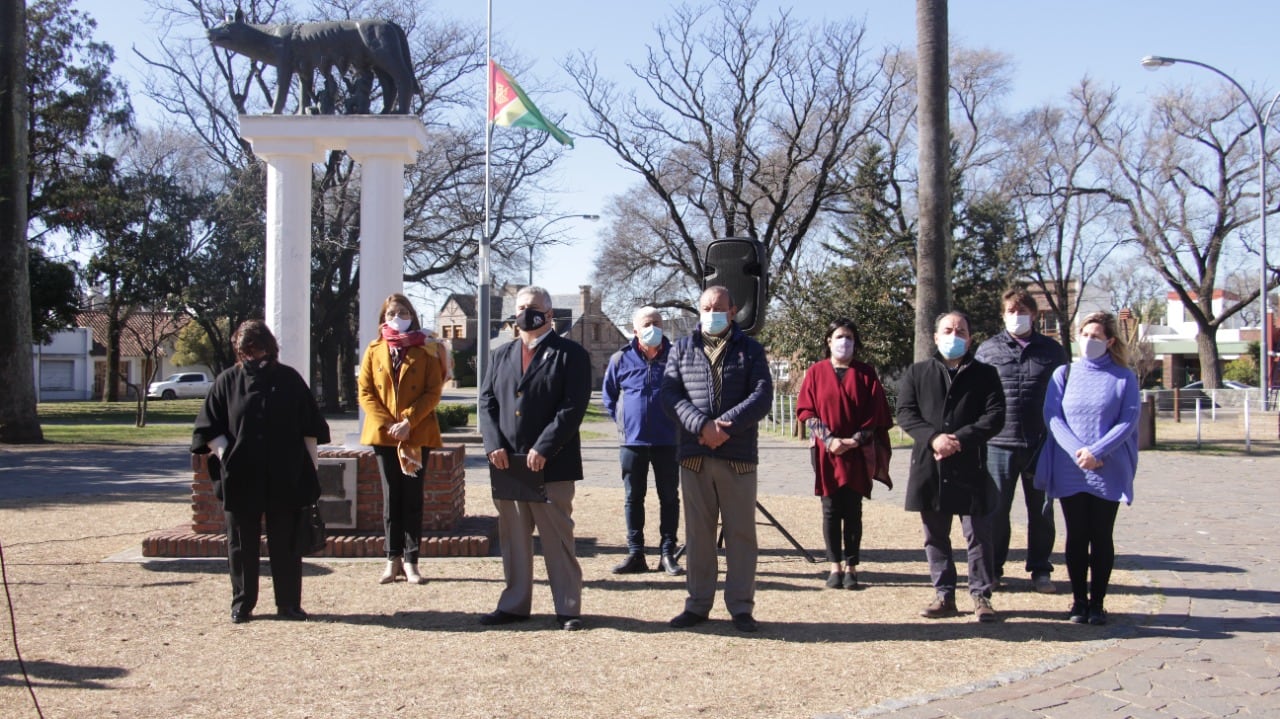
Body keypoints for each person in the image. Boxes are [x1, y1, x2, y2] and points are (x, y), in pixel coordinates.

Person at [191, 320, 331, 624]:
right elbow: (207, 428)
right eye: (247, 351)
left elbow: (311, 429)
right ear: (239, 352)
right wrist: (225, 453)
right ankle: (243, 603)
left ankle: (289, 603)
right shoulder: (226, 382)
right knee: (241, 542)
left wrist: (312, 469)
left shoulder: (290, 380)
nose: (254, 356)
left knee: (286, 541)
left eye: (259, 349)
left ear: (271, 347)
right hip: (241, 476)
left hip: (286, 474)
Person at [478, 286, 592, 631]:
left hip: (551, 464)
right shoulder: (501, 355)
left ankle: (568, 607)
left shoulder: (570, 354)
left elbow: (572, 408)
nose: (526, 313)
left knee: (557, 537)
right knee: (513, 538)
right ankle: (514, 604)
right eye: (521, 307)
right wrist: (493, 444)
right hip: (508, 464)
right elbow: (486, 403)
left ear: (550, 314)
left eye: (534, 307)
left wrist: (543, 447)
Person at [661, 285, 773, 632]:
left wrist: (725, 427)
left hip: (737, 455)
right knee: (698, 535)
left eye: (718, 307)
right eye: (706, 308)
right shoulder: (681, 348)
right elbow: (670, 395)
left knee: (741, 535)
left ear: (734, 310)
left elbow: (762, 395)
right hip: (695, 455)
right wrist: (701, 426)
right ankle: (697, 604)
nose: (712, 313)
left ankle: (741, 606)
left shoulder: (751, 350)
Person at [896, 311, 1005, 623]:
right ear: (935, 336)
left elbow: (995, 415)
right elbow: (905, 412)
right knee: (935, 535)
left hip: (971, 463)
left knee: (978, 535)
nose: (954, 335)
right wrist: (933, 439)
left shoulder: (986, 374)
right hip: (931, 465)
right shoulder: (917, 373)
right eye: (948, 329)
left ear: (970, 339)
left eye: (961, 331)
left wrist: (958, 439)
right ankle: (944, 595)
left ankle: (981, 595)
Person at [1035, 311, 1140, 626]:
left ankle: (1098, 603)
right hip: (1071, 467)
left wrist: (1097, 451)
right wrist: (1078, 451)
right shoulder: (1063, 374)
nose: (1089, 340)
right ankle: (1079, 601)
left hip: (1107, 467)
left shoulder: (1124, 377)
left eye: (1096, 336)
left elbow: (1129, 418)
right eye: (1085, 335)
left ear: (1109, 341)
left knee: (1101, 535)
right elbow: (1052, 416)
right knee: (1076, 534)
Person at [974, 288, 1068, 593]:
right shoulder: (988, 351)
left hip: (1040, 444)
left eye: (1022, 311)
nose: (1017, 316)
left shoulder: (1052, 352)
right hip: (998, 444)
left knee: (1041, 510)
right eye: (1011, 311)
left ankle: (1041, 569)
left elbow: (1065, 396)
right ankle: (995, 568)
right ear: (1003, 315)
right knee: (996, 510)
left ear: (1035, 315)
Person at [795, 318, 894, 590]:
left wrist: (853, 440)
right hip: (826, 453)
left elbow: (877, 415)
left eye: (849, 337)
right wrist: (829, 440)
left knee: (853, 509)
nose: (844, 342)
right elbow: (806, 410)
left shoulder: (866, 373)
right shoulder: (815, 372)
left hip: (856, 451)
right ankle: (834, 566)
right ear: (829, 340)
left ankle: (851, 566)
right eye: (839, 336)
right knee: (830, 509)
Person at [358, 293, 445, 585]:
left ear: (412, 315)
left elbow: (433, 391)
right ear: (384, 316)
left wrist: (409, 420)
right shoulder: (374, 349)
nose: (397, 316)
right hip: (384, 436)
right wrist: (389, 423)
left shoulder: (427, 348)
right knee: (391, 496)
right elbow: (365, 391)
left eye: (403, 311)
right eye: (392, 312)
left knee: (412, 497)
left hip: (417, 433)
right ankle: (391, 558)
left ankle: (411, 561)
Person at [602, 306, 684, 576]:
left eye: (657, 322)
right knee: (633, 498)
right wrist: (626, 422)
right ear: (634, 329)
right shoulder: (619, 359)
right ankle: (635, 553)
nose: (653, 327)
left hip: (668, 441)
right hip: (632, 444)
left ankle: (667, 554)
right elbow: (609, 397)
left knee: (669, 498)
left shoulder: (677, 357)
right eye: (647, 323)